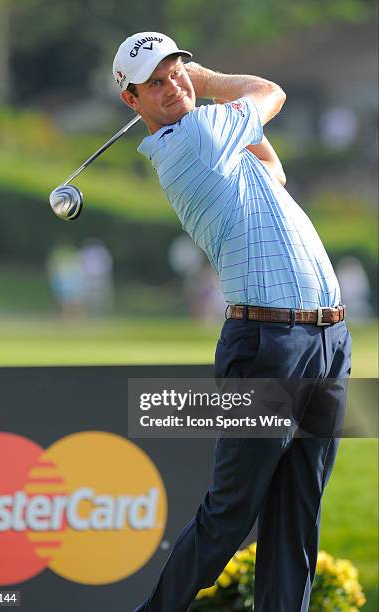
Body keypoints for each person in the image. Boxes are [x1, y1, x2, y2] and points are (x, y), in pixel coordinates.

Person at [112, 32, 351, 612]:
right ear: (133, 101)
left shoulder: (219, 141)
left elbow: (276, 171)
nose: (174, 86)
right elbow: (268, 90)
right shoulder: (189, 141)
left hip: (325, 339)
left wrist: (203, 93)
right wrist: (207, 77)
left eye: (177, 72)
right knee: (230, 514)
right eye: (157, 82)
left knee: (298, 509)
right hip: (270, 343)